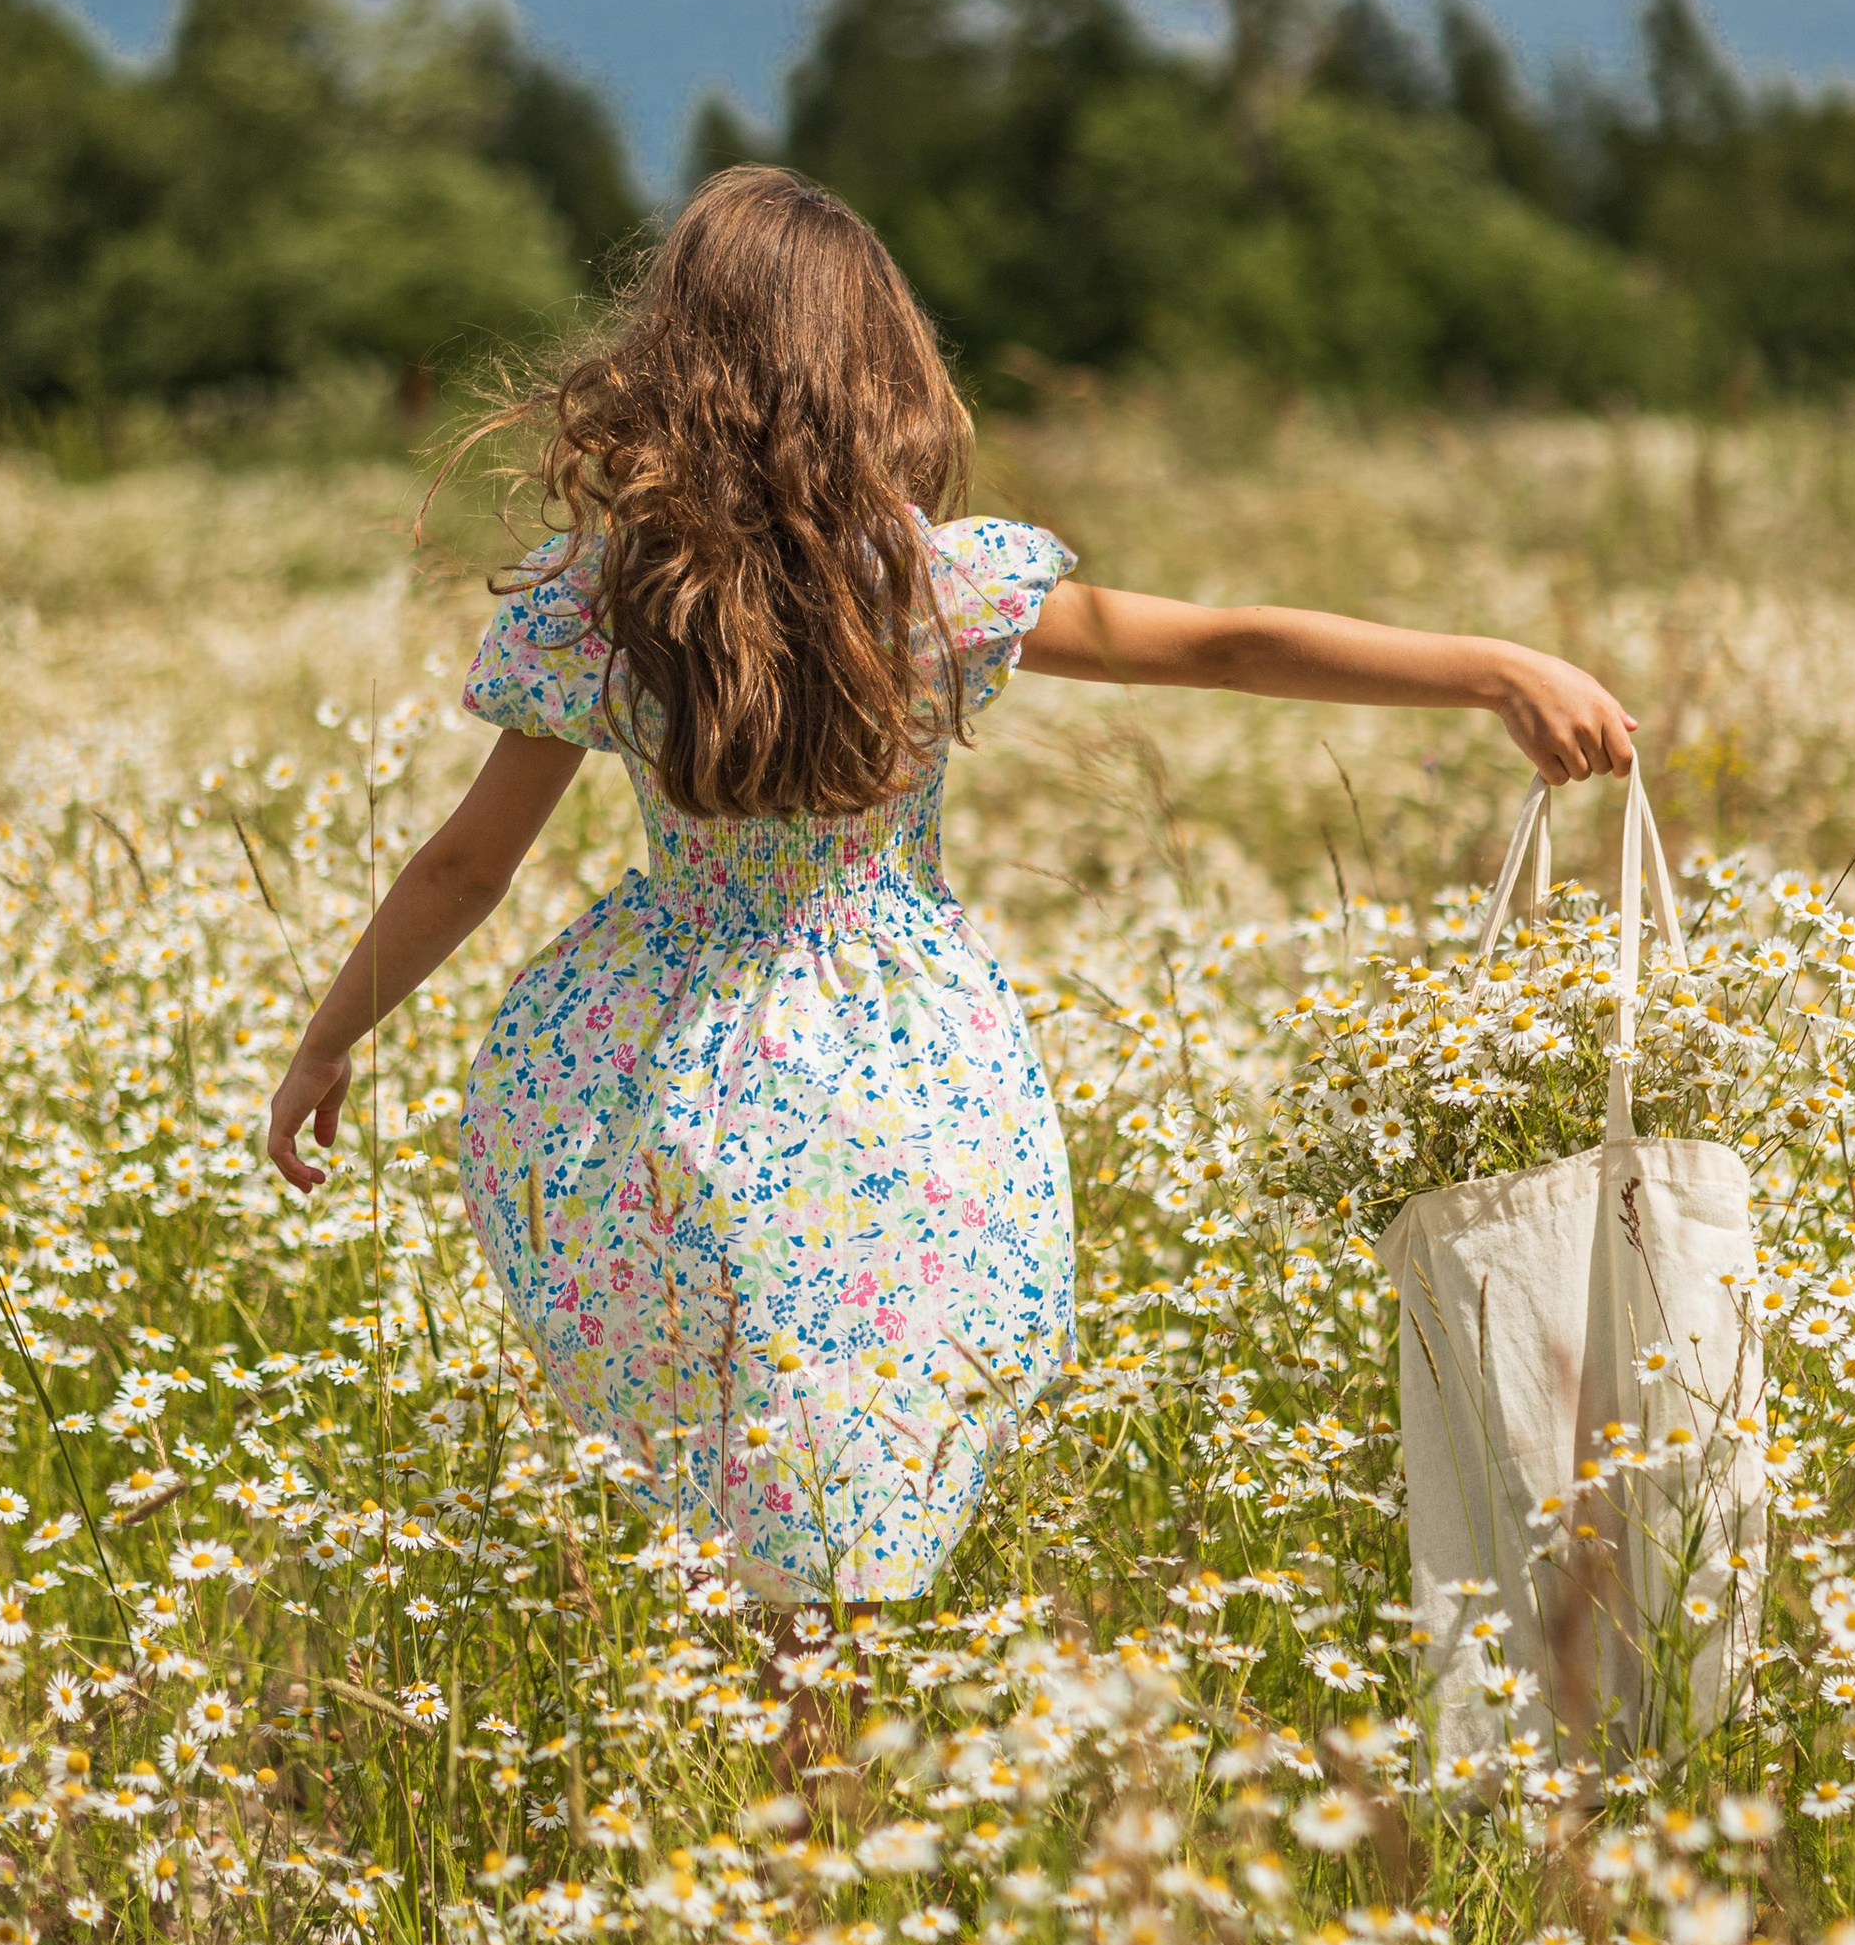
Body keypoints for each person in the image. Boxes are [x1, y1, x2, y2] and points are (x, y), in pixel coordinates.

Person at [264, 165, 1633, 1608]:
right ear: (879, 372)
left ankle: (786, 1748)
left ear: (676, 369)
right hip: (905, 1063)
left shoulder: (609, 605)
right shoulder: (935, 587)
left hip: (666, 1053)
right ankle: (818, 1756)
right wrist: (1495, 667)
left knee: (744, 1439)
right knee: (860, 1436)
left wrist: (331, 1032)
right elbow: (1226, 644)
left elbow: (468, 862)